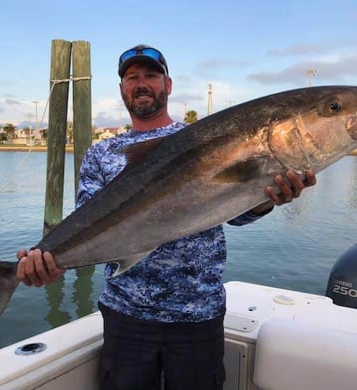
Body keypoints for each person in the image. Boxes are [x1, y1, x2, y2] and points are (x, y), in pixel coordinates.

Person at [17, 44, 317, 389]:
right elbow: (88, 226)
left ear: (168, 85)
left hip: (197, 314)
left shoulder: (206, 138)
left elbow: (236, 216)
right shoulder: (102, 152)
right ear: (122, 90)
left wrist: (267, 200)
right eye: (132, 77)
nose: (141, 83)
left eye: (150, 75)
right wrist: (50, 261)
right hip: (126, 316)